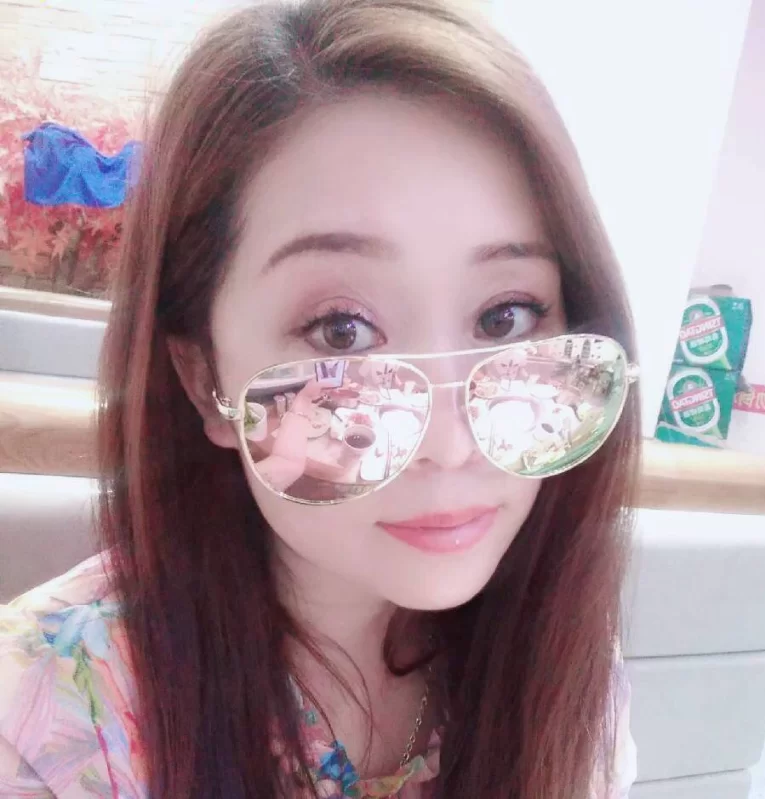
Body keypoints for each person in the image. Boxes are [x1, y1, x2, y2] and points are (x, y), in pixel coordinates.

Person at [0, 1, 641, 797]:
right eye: (343, 331)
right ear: (203, 377)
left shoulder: (565, 659)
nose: (451, 444)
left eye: (505, 316)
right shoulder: (47, 719)